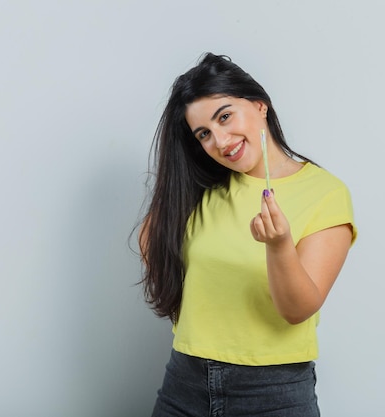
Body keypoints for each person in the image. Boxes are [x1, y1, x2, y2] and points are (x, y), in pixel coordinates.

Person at [138, 53, 357, 417]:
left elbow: (297, 309)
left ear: (259, 105)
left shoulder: (326, 193)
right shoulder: (201, 188)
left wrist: (279, 245)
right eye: (203, 134)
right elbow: (153, 241)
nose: (220, 141)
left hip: (274, 391)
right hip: (185, 381)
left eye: (225, 116)